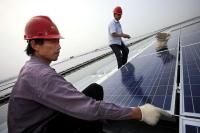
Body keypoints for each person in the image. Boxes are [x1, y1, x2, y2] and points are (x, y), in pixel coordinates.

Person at [7, 16, 171, 133]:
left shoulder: (32, 67)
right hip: (40, 129)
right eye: (53, 40)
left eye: (58, 40)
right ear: (35, 44)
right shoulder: (41, 75)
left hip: (41, 123)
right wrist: (138, 112)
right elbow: (88, 108)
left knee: (94, 90)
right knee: (89, 112)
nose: (59, 45)